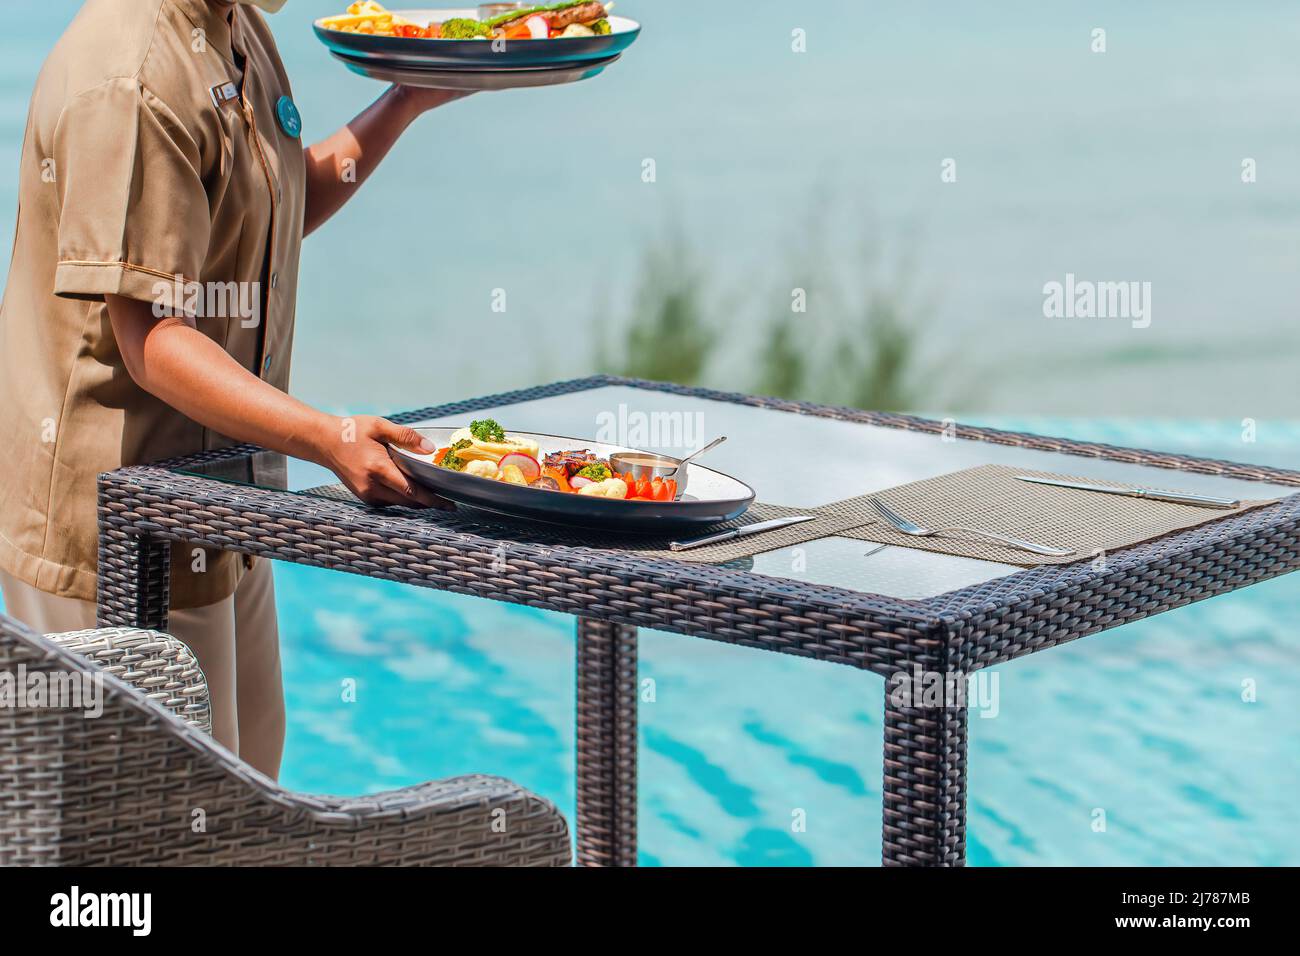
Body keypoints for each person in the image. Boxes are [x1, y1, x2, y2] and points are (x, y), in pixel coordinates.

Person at [0, 0, 461, 778]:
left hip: (223, 507)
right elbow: (153, 339)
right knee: (159, 835)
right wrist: (327, 437)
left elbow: (269, 211)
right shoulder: (130, 76)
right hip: (115, 529)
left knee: (251, 802)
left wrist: (406, 99)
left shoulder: (236, 26)